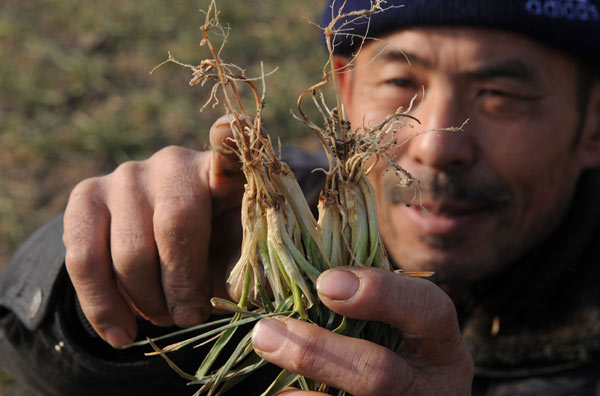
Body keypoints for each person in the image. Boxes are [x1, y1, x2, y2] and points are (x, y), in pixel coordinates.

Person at [1, 0, 599, 394]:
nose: (437, 144)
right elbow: (22, 342)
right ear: (344, 88)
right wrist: (108, 282)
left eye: (500, 94)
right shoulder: (260, 215)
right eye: (399, 83)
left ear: (593, 121)